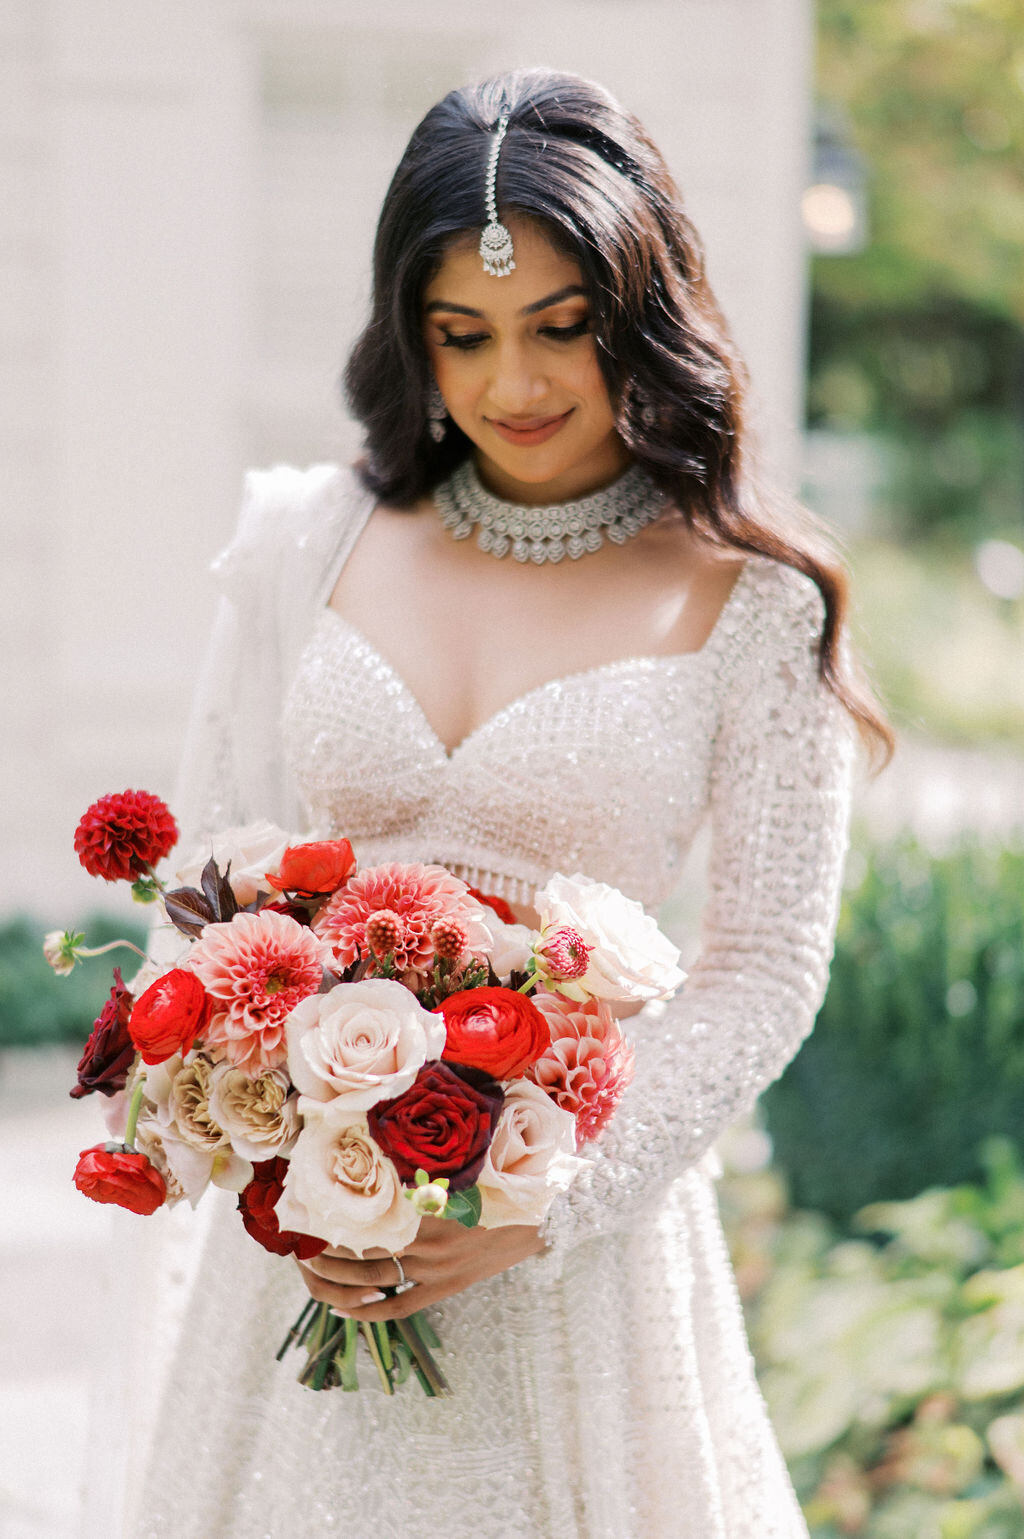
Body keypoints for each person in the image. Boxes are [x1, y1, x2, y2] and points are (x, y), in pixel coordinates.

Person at [127, 66, 891, 1539]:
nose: (513, 388)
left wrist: (541, 1200)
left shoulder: (757, 601)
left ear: (643, 312)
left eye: (563, 330)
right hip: (305, 1250)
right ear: (410, 337)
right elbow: (205, 873)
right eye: (460, 336)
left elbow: (763, 970)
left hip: (571, 1273)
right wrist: (266, 1117)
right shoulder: (311, 538)